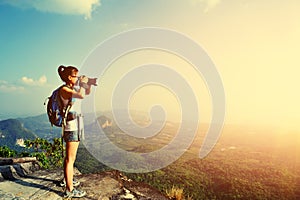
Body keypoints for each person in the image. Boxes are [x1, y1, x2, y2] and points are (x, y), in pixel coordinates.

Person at [57, 65, 91, 198]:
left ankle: (67, 180)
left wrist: (88, 83)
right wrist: (82, 83)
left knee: (71, 158)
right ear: (70, 77)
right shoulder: (64, 89)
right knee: (70, 159)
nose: (77, 78)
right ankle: (69, 189)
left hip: (75, 126)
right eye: (76, 76)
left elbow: (86, 92)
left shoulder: (71, 88)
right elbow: (82, 95)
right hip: (71, 127)